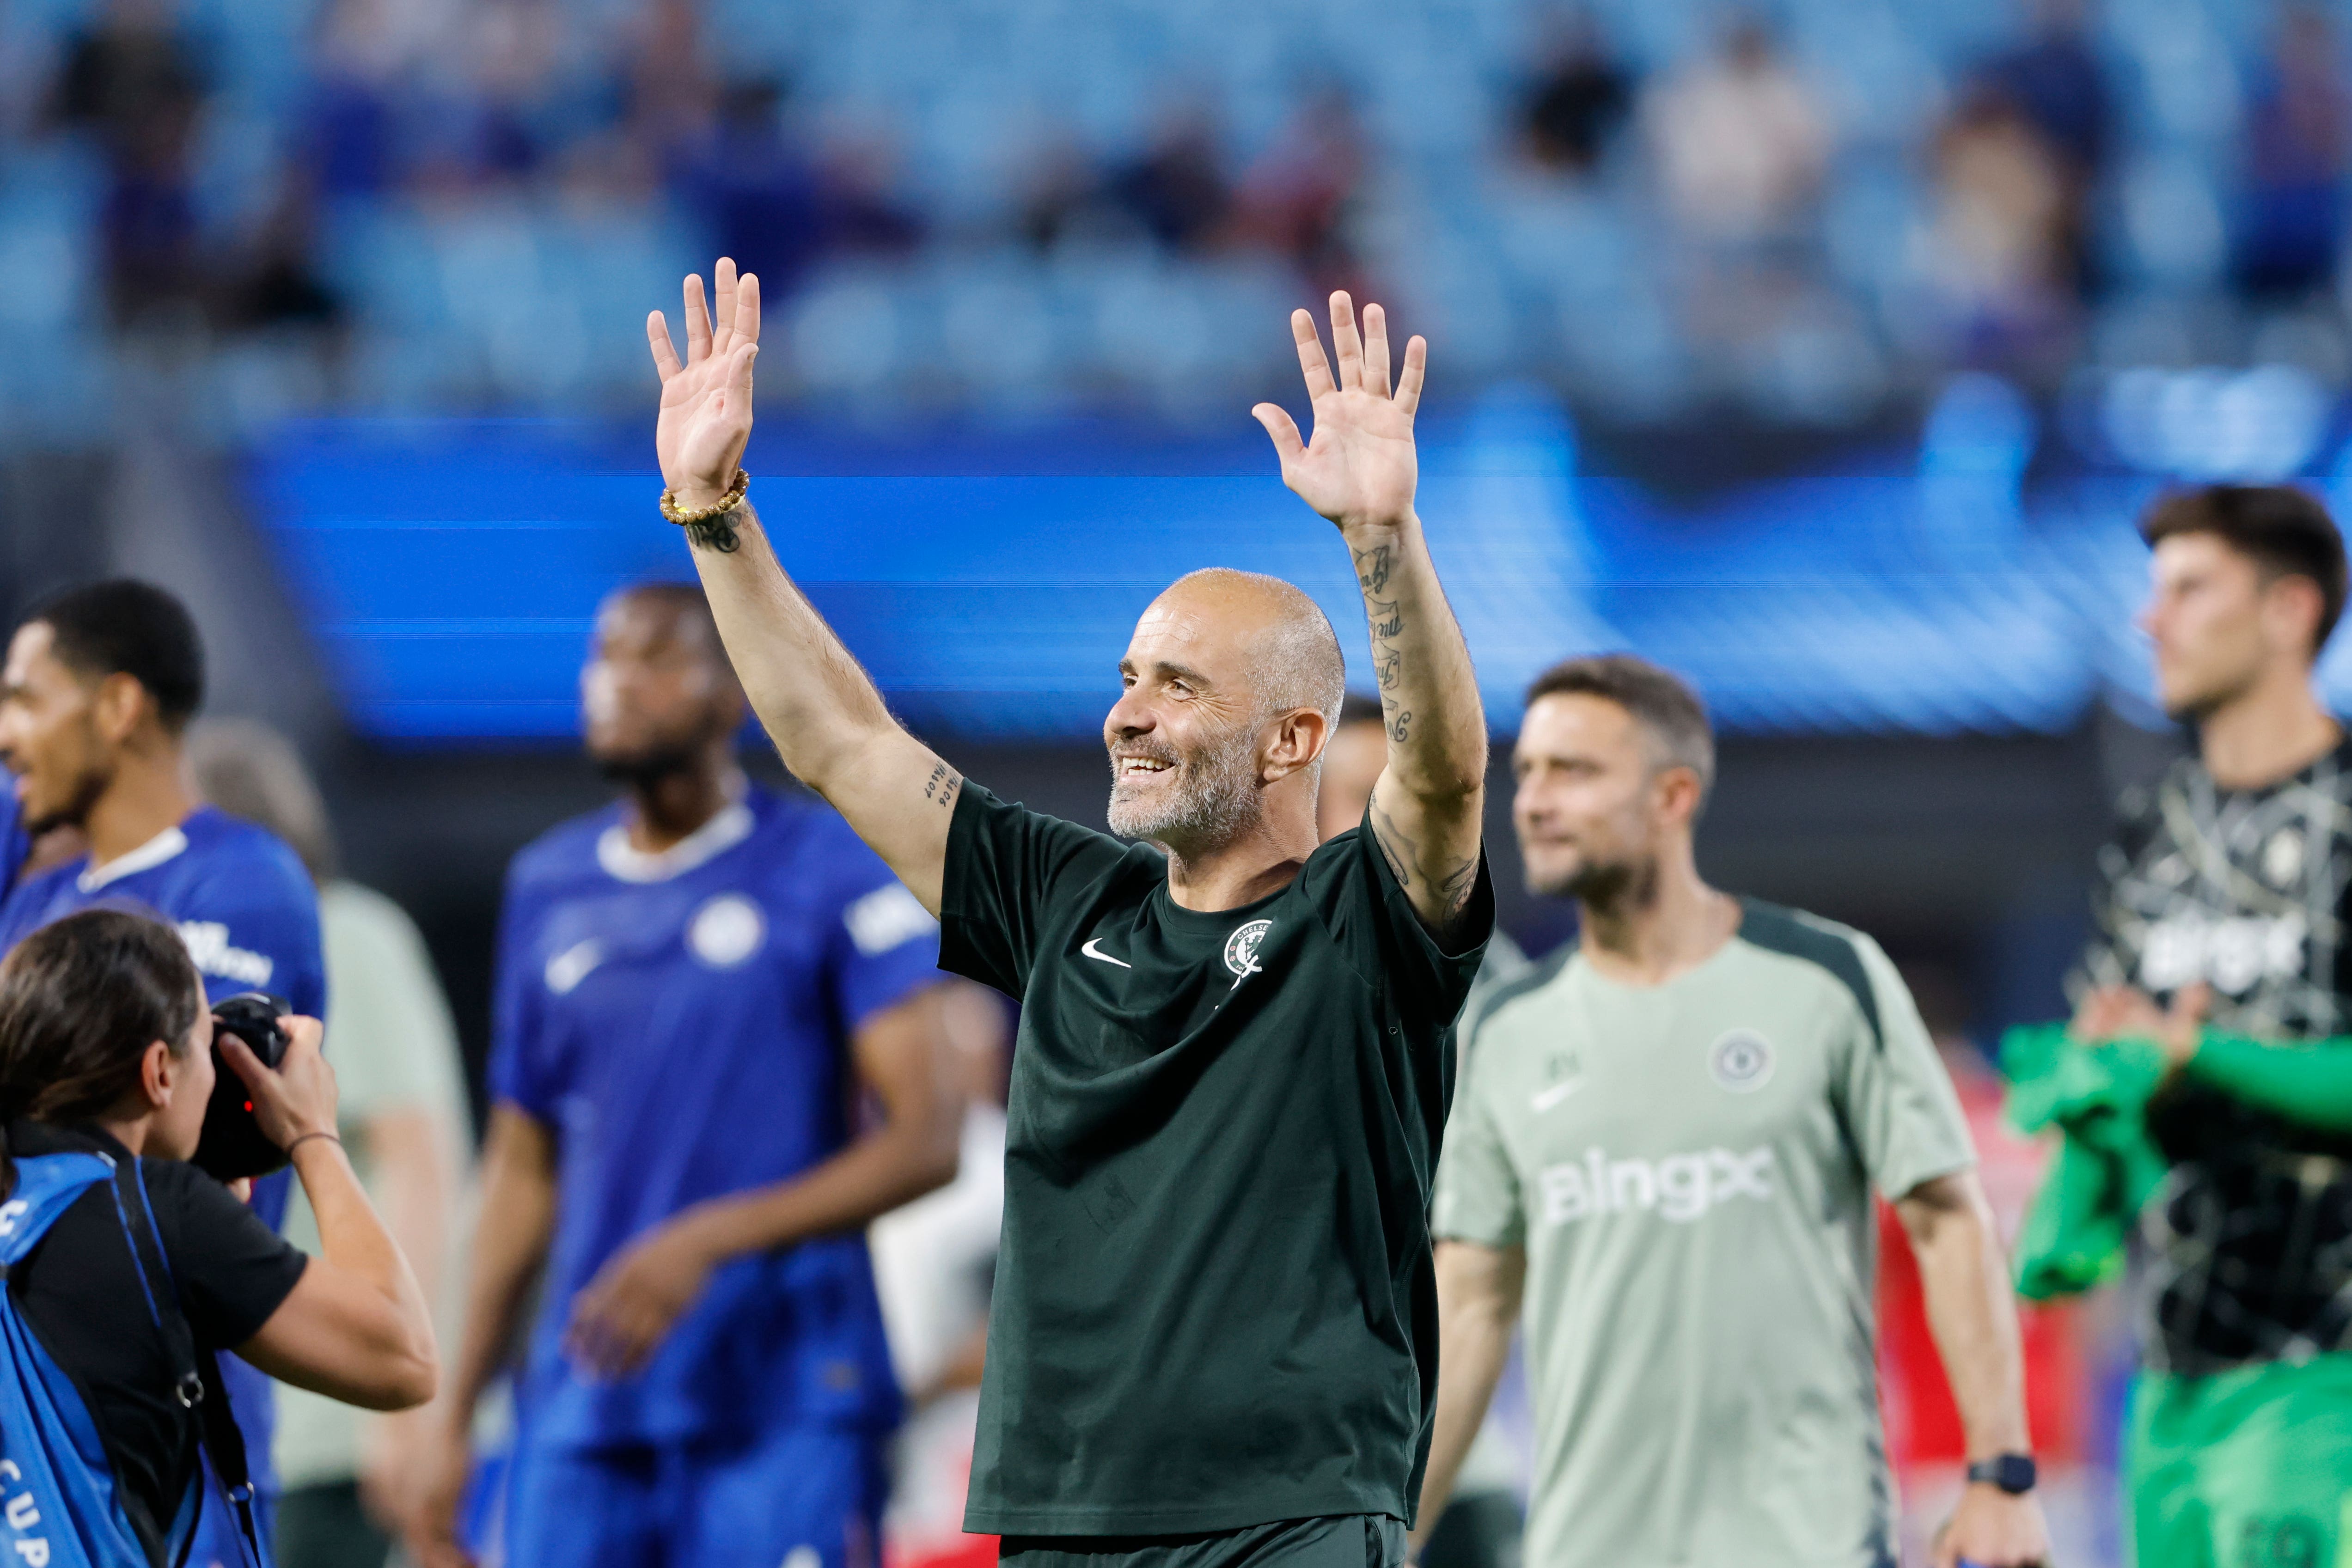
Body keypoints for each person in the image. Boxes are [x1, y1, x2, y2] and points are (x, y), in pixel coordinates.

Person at [648, 257, 1491, 1567]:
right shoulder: (1064, 897)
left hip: (1290, 1518)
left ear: (1292, 741)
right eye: (1126, 678)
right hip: (1059, 1517)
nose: (1127, 713)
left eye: (1177, 686)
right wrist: (713, 509)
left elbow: (1442, 774)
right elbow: (842, 744)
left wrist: (1384, 543)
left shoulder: (1364, 922)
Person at [1417, 653, 2051, 1568]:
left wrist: (1999, 1474)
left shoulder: (1827, 978)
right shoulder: (1511, 1026)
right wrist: (1395, 1534)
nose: (1534, 801)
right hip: (1585, 1545)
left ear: (1674, 795)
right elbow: (1473, 1297)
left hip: (1807, 1537)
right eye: (1528, 774)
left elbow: (1948, 1224)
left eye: (1575, 771)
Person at [405, 580, 962, 1568]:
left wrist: (710, 1236)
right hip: (586, 1402)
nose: (619, 682)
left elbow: (927, 1136)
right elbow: (520, 1170)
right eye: (605, 657)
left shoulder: (828, 865)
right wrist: (453, 1411)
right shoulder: (547, 885)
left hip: (785, 1397)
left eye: (658, 657)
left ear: (732, 694)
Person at [0, 579, 325, 1568]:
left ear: (119, 706)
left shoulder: (239, 878)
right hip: (42, 1383)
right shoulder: (39, 896)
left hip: (176, 1376)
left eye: (25, 699)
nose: (8, 738)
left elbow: (194, 1138)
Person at [2056, 486, 2352, 1568]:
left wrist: (2205, 1055)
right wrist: (2069, 1208)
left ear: (2288, 609)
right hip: (2169, 1378)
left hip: (2325, 1371)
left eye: (2188, 588)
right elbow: (2109, 1064)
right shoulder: (2153, 831)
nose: (2152, 619)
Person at [0, 906, 434, 1567]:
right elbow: (401, 1357)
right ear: (160, 1073)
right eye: (205, 1043)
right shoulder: (158, 1212)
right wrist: (312, 1134)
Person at [185, 718, 470, 1568]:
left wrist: (401, 1413)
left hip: (345, 1418)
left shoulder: (345, 932)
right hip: (271, 1410)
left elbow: (421, 1161)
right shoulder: (203, 960)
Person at [1315, 692, 1525, 1568]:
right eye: (1360, 802)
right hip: (1263, 1477)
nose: (1387, 832)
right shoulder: (1232, 968)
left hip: (1446, 1472)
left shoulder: (1501, 1000)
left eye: (1404, 805)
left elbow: (1475, 1260)